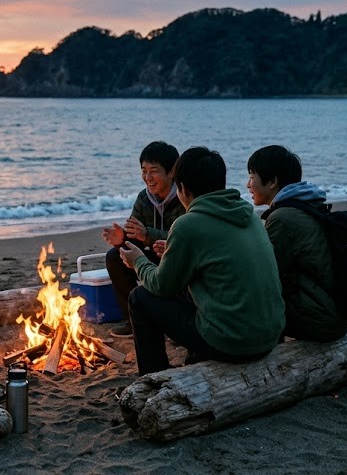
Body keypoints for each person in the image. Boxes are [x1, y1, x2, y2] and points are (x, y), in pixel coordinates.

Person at [119, 146, 285, 375]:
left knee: (140, 298)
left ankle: (154, 377)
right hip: (270, 336)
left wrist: (138, 260)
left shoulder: (188, 224)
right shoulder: (249, 215)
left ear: (183, 188)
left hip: (233, 344)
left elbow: (161, 286)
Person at [247, 145, 347, 341]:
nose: (247, 184)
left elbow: (266, 275)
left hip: (322, 321)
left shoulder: (283, 218)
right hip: (337, 314)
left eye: (252, 177)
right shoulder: (307, 204)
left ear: (272, 182)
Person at [101, 141, 185, 338]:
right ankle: (132, 321)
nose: (148, 177)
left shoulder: (184, 195)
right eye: (144, 171)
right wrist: (122, 239)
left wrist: (148, 235)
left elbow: (186, 237)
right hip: (153, 256)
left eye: (153, 171)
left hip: (178, 257)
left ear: (172, 171)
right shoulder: (144, 198)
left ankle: (179, 320)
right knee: (115, 256)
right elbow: (135, 235)